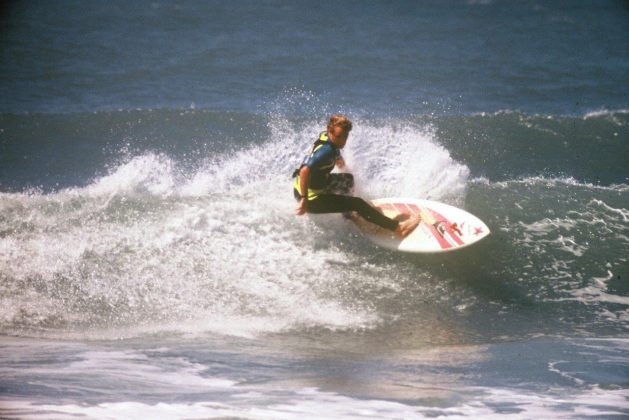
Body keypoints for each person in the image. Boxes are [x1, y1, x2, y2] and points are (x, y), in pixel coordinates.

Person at [293, 114, 420, 238]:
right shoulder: (326, 151)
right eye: (339, 137)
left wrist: (339, 161)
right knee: (358, 204)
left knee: (348, 180)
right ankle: (398, 229)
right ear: (330, 131)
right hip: (310, 199)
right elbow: (304, 170)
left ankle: (348, 216)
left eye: (345, 136)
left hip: (303, 187)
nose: (342, 140)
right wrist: (304, 200)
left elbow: (332, 151)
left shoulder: (326, 138)